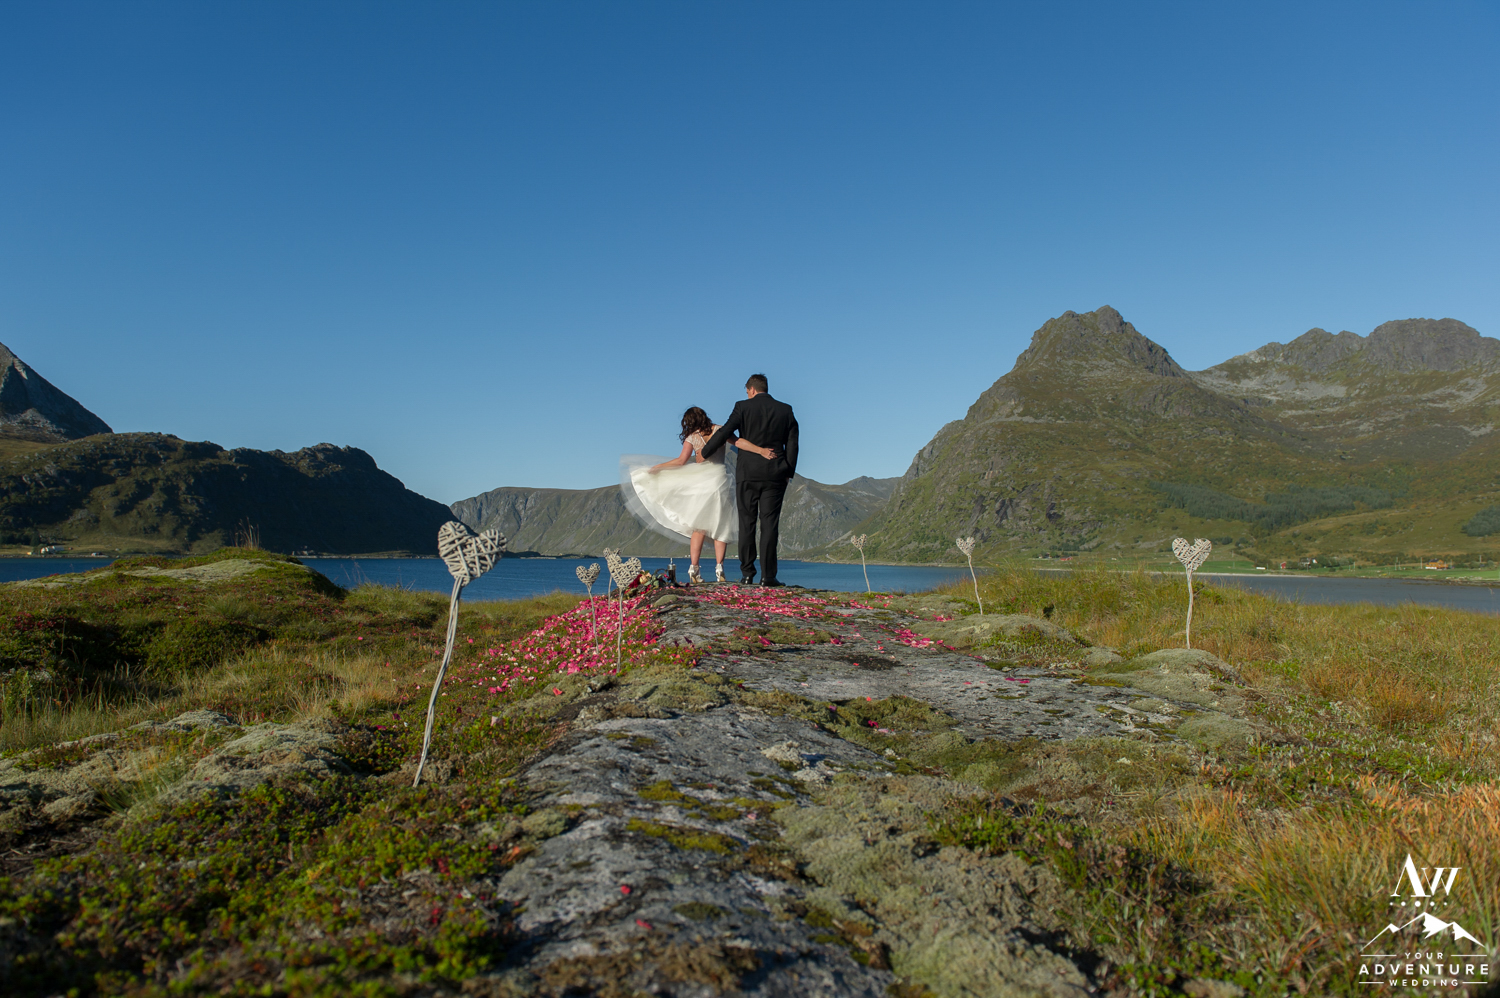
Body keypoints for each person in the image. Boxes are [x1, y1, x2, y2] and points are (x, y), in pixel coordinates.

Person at [620, 407, 763, 583]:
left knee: (699, 526)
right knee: (721, 525)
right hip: (720, 480)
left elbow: (681, 461)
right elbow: (739, 442)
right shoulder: (721, 430)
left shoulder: (692, 437)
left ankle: (694, 569)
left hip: (700, 482)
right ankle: (720, 569)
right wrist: (761, 450)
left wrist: (658, 467)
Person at [701, 373, 798, 586]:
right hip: (775, 473)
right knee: (770, 524)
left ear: (751, 389)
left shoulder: (742, 407)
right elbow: (792, 443)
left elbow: (726, 431)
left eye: (747, 391)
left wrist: (706, 451)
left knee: (747, 523)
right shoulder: (785, 410)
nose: (747, 394)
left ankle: (747, 575)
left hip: (747, 474)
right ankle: (768, 576)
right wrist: (788, 471)